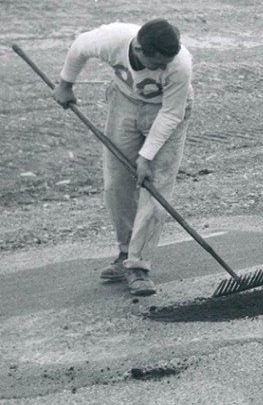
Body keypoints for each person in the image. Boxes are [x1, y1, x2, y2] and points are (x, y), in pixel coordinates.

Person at [52, 20, 193, 296]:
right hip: (123, 102)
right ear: (139, 48)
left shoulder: (180, 64)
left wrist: (145, 157)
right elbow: (80, 46)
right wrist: (65, 85)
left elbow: (171, 115)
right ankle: (125, 252)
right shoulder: (113, 39)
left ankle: (138, 265)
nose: (163, 68)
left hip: (165, 112)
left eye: (167, 63)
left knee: (155, 189)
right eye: (157, 64)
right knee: (115, 183)